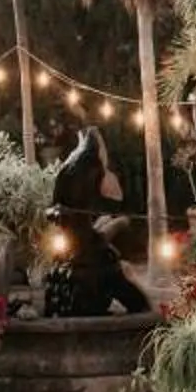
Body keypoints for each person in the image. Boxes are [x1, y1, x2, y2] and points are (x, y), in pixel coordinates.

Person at [44, 128, 150, 316]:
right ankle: (141, 308)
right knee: (109, 258)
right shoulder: (91, 166)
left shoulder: (68, 165)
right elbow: (116, 196)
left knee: (104, 229)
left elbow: (54, 208)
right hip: (85, 247)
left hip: (69, 237)